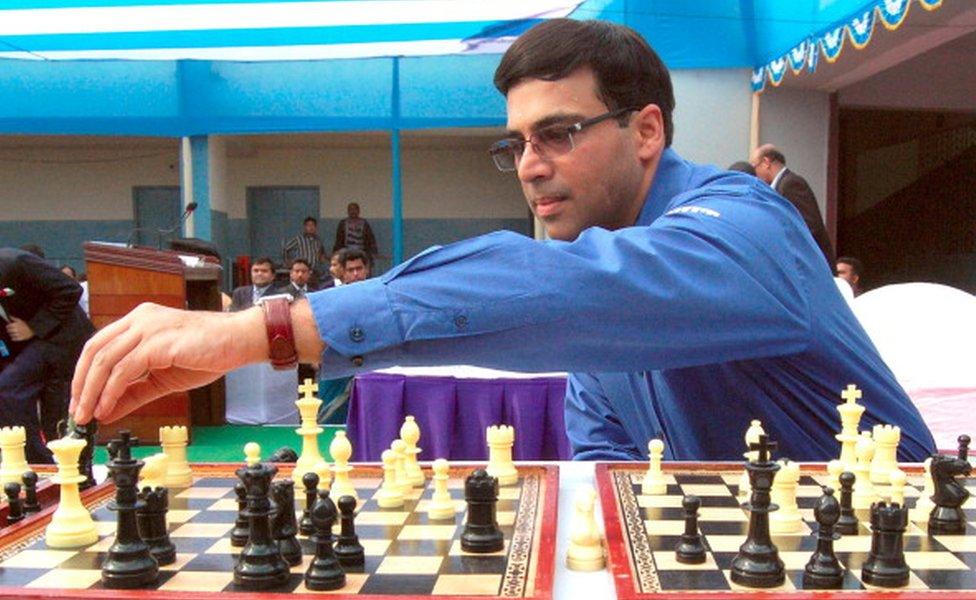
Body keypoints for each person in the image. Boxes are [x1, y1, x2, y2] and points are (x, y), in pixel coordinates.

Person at [68, 19, 935, 463]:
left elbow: (583, 287)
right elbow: (605, 452)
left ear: (645, 130)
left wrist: (264, 329)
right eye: (516, 142)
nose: (528, 166)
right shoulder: (594, 308)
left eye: (558, 133)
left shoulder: (748, 226)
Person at [1, 247, 95, 463]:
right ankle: (37, 464)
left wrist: (33, 327)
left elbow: (70, 289)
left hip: (66, 339)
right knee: (9, 390)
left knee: (59, 417)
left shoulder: (16, 262)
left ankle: (75, 472)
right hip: (33, 347)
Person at [750, 144, 835, 268]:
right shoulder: (780, 186)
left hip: (812, 266)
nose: (754, 174)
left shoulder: (791, 184)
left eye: (754, 167)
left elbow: (810, 225)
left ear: (766, 162)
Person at [283, 217, 328, 287]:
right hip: (301, 271)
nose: (311, 228)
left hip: (313, 272)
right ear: (305, 227)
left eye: (313, 225)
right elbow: (286, 248)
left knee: (313, 289)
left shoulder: (318, 241)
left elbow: (321, 254)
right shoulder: (298, 239)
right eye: (308, 225)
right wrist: (288, 262)